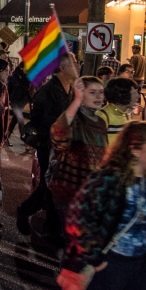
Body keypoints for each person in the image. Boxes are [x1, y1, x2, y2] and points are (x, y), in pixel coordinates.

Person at [58, 121, 146, 290]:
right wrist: (96, 258)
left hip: (139, 265)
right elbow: (77, 219)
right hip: (111, 264)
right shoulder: (108, 179)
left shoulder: (145, 179)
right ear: (135, 149)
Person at [17, 52, 79, 237]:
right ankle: (43, 223)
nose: (77, 67)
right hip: (49, 146)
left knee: (56, 186)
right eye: (73, 63)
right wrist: (63, 122)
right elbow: (37, 119)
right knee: (50, 186)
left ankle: (49, 225)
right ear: (61, 68)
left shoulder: (71, 90)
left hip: (64, 146)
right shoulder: (48, 91)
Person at [49, 76, 109, 231]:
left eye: (101, 92)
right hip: (71, 192)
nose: (98, 97)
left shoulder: (101, 122)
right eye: (93, 92)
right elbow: (59, 133)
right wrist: (76, 101)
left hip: (92, 195)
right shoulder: (75, 120)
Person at [98, 78, 139, 143]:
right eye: (134, 93)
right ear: (122, 95)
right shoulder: (103, 116)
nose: (138, 96)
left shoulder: (126, 114)